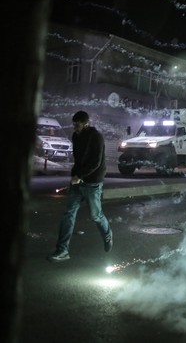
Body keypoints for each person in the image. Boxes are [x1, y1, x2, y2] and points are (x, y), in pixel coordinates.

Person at [47, 111, 113, 262]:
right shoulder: (76, 136)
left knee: (96, 215)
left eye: (77, 125)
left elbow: (96, 162)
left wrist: (80, 176)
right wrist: (74, 176)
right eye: (73, 124)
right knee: (68, 214)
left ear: (86, 124)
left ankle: (108, 235)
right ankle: (62, 250)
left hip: (93, 181)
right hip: (78, 180)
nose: (74, 128)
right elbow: (78, 159)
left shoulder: (96, 137)